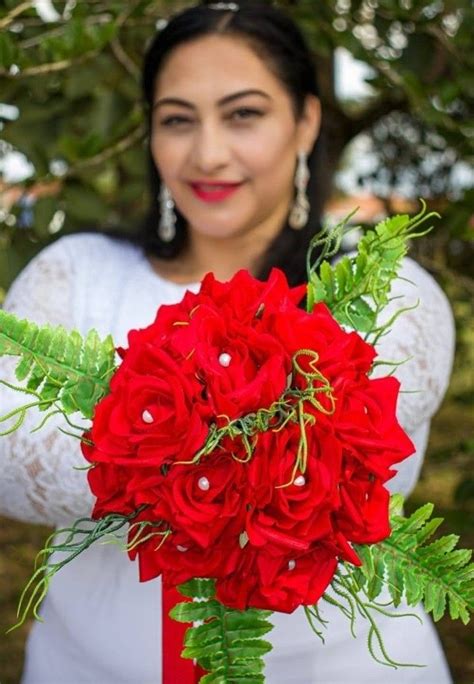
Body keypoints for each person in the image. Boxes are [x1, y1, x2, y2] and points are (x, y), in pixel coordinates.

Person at [0, 2, 455, 682]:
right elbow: (10, 461)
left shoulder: (383, 286)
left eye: (243, 114)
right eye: (177, 119)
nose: (207, 153)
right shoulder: (76, 272)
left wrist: (147, 440)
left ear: (305, 120)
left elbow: (371, 423)